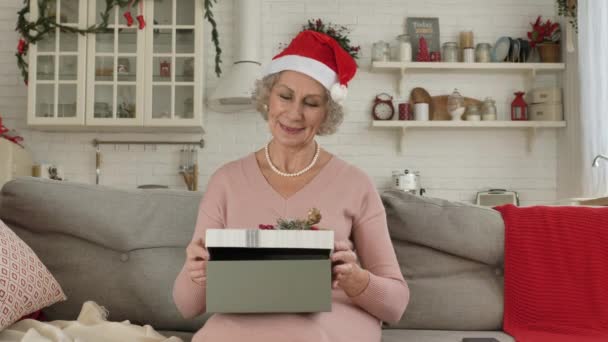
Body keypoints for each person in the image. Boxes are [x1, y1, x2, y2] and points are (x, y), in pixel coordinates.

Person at [173, 29, 409, 342]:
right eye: (285, 96)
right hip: (244, 320)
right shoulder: (227, 181)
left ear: (327, 114)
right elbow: (186, 306)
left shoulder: (355, 183)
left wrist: (359, 281)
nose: (294, 113)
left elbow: (396, 304)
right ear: (268, 98)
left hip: (332, 320)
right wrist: (197, 272)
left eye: (311, 103)